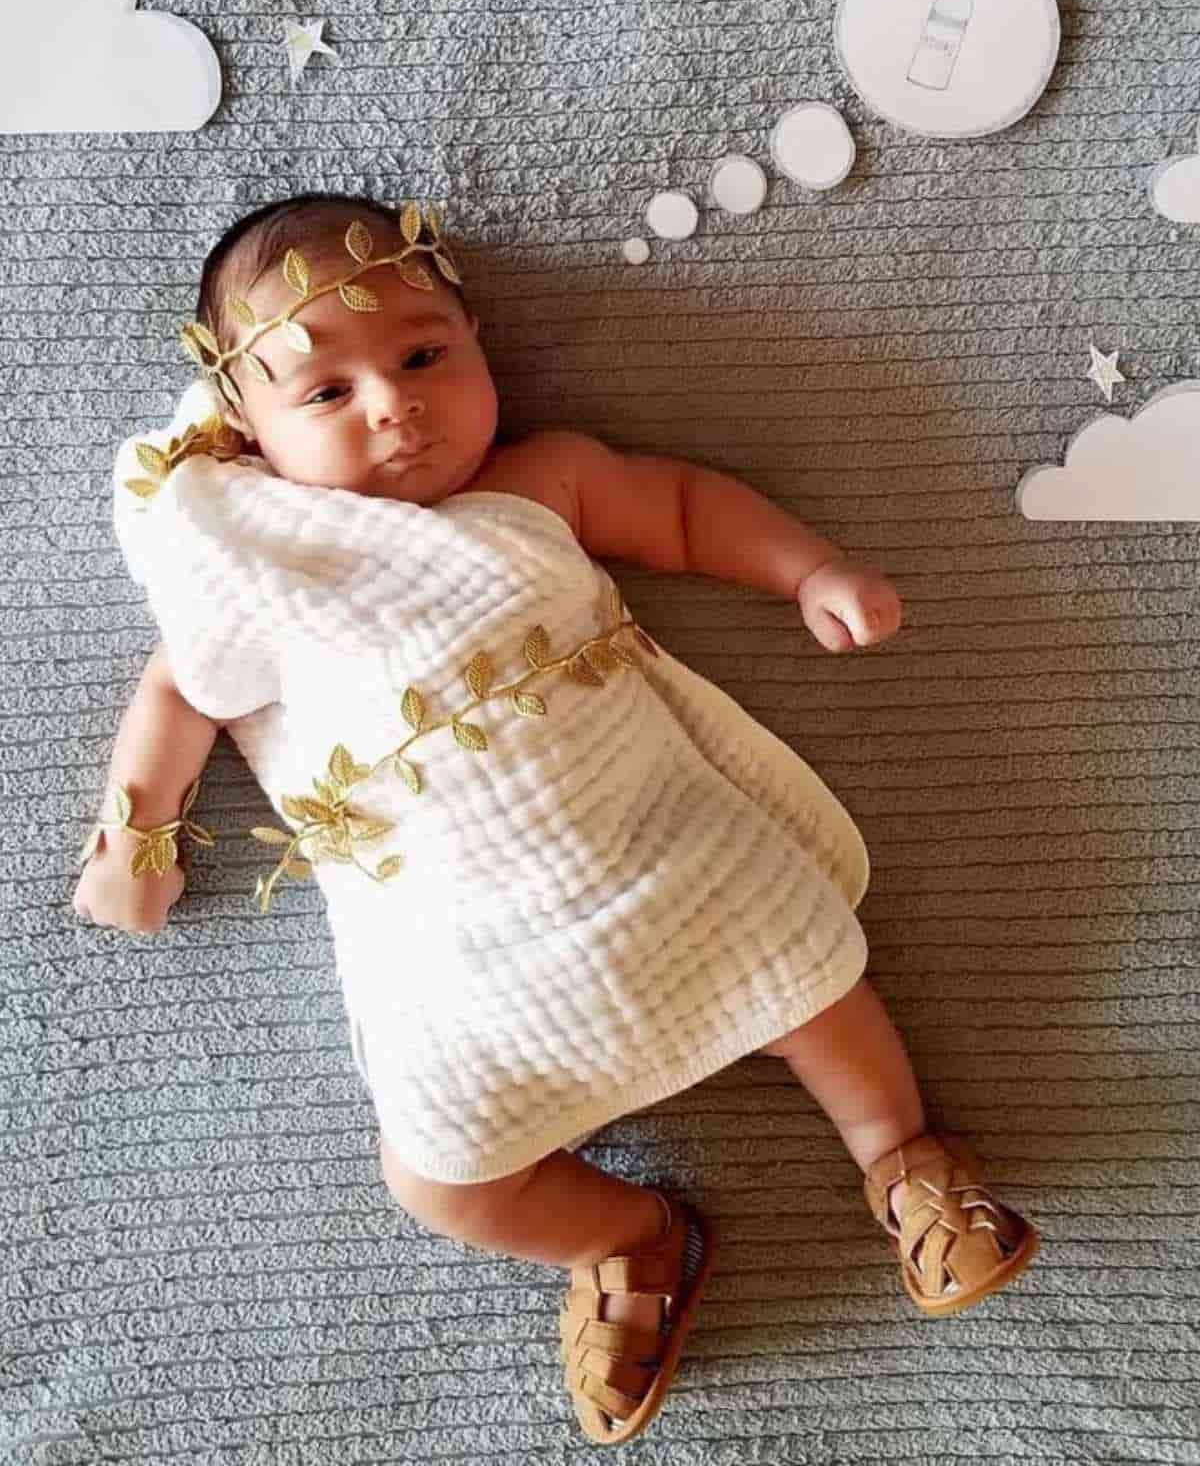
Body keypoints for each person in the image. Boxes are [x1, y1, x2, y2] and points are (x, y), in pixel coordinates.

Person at [73, 192, 1039, 1447]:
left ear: (478, 341)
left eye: (425, 356)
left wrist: (811, 569)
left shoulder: (540, 483)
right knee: (438, 1179)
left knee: (811, 969)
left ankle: (905, 1161)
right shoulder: (268, 574)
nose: (393, 406)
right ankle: (629, 1236)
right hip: (466, 976)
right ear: (247, 436)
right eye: (326, 394)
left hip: (660, 859)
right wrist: (134, 840)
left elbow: (684, 509)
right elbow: (176, 693)